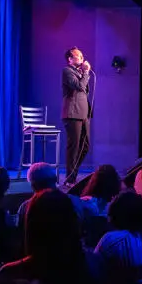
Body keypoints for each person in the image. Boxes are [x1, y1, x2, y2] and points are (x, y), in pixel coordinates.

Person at [60, 46, 92, 188]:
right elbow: (79, 86)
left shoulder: (80, 72)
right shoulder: (67, 71)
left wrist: (84, 73)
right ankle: (70, 178)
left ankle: (73, 172)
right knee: (73, 147)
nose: (81, 57)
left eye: (81, 55)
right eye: (77, 56)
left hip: (84, 114)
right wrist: (85, 72)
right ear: (70, 59)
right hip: (72, 113)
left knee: (85, 146)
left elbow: (85, 90)